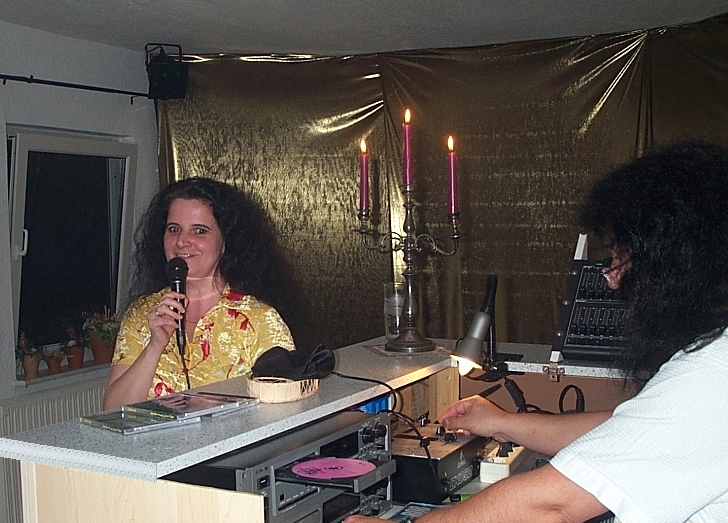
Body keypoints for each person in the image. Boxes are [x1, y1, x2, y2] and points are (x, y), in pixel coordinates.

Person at [346, 141, 728, 523]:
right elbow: (624, 429)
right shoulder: (713, 360)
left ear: (674, 260)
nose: (611, 279)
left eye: (619, 257)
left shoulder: (710, 376)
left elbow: (552, 506)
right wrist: (502, 423)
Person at [103, 177, 303, 409]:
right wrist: (154, 346)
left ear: (225, 242)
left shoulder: (258, 319)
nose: (182, 242)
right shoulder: (142, 314)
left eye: (199, 231)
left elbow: (284, 412)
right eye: (174, 229)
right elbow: (113, 410)